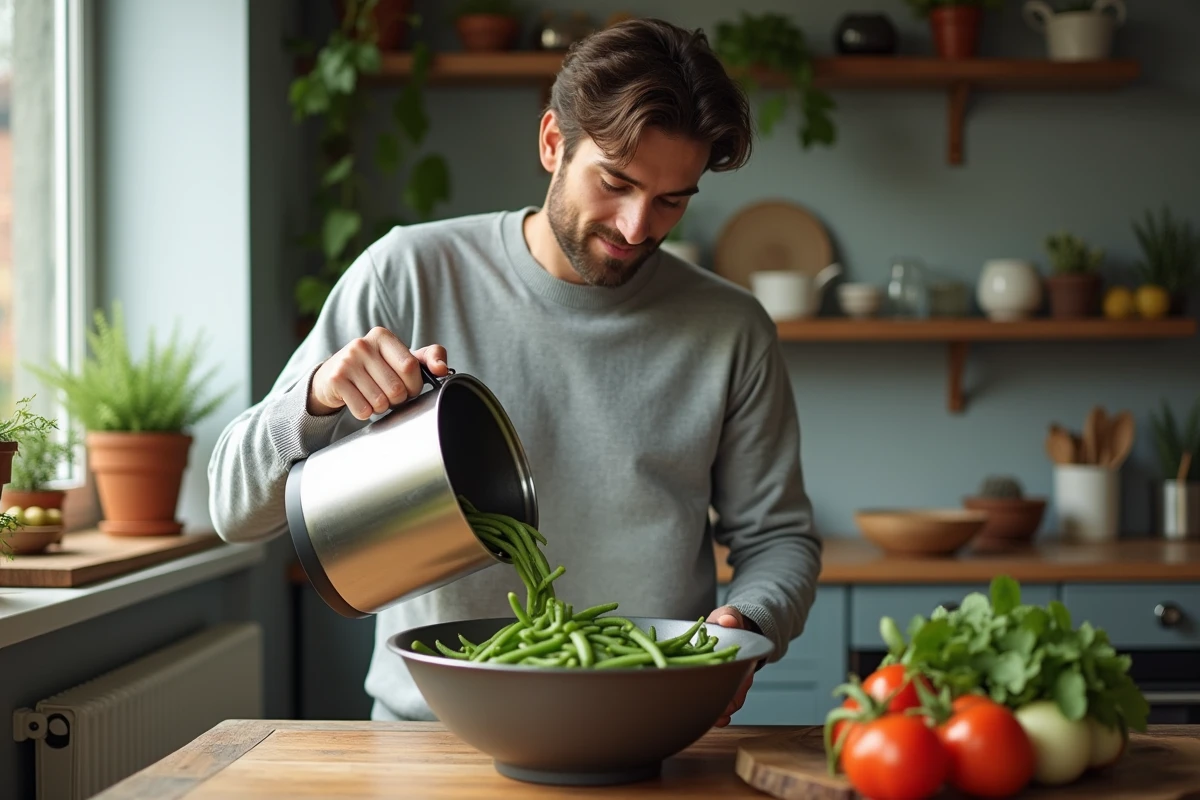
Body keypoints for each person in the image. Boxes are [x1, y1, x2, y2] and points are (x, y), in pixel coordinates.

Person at [208, 16, 822, 727]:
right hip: (431, 736)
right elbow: (233, 509)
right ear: (553, 143)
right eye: (616, 183)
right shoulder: (408, 273)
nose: (635, 227)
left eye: (671, 201)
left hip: (647, 720)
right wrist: (314, 400)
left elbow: (779, 539)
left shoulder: (731, 329)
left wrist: (746, 624)